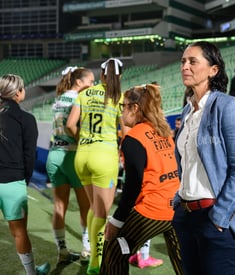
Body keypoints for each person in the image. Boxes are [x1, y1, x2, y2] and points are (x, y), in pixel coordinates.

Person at [172, 41, 235, 275]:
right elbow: (188, 162)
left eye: (193, 61)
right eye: (183, 61)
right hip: (186, 215)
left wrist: (219, 217)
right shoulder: (187, 110)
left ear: (213, 70)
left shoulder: (229, 106)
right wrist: (178, 200)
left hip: (216, 217)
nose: (185, 67)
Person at [100, 84, 183, 274]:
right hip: (177, 207)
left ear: (135, 108)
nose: (121, 112)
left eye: (124, 106)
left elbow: (133, 186)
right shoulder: (164, 133)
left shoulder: (133, 138)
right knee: (182, 260)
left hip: (154, 209)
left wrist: (117, 221)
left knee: (113, 248)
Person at [66, 58, 127, 275]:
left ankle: (91, 250)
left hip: (82, 156)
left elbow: (70, 125)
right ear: (119, 76)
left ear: (101, 74)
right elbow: (126, 132)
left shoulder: (84, 94)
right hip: (104, 157)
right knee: (102, 213)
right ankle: (95, 261)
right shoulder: (120, 97)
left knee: (94, 208)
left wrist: (83, 139)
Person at [0, 74, 50, 275]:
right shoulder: (27, 119)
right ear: (19, 92)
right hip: (14, 183)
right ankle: (31, 273)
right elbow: (30, 155)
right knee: (19, 232)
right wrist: (25, 180)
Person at [46, 66, 94, 264]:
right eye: (90, 82)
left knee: (59, 206)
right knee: (86, 206)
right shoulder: (79, 99)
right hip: (72, 155)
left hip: (54, 155)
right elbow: (73, 125)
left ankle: (62, 251)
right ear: (79, 82)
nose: (92, 85)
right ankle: (87, 249)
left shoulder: (59, 99)